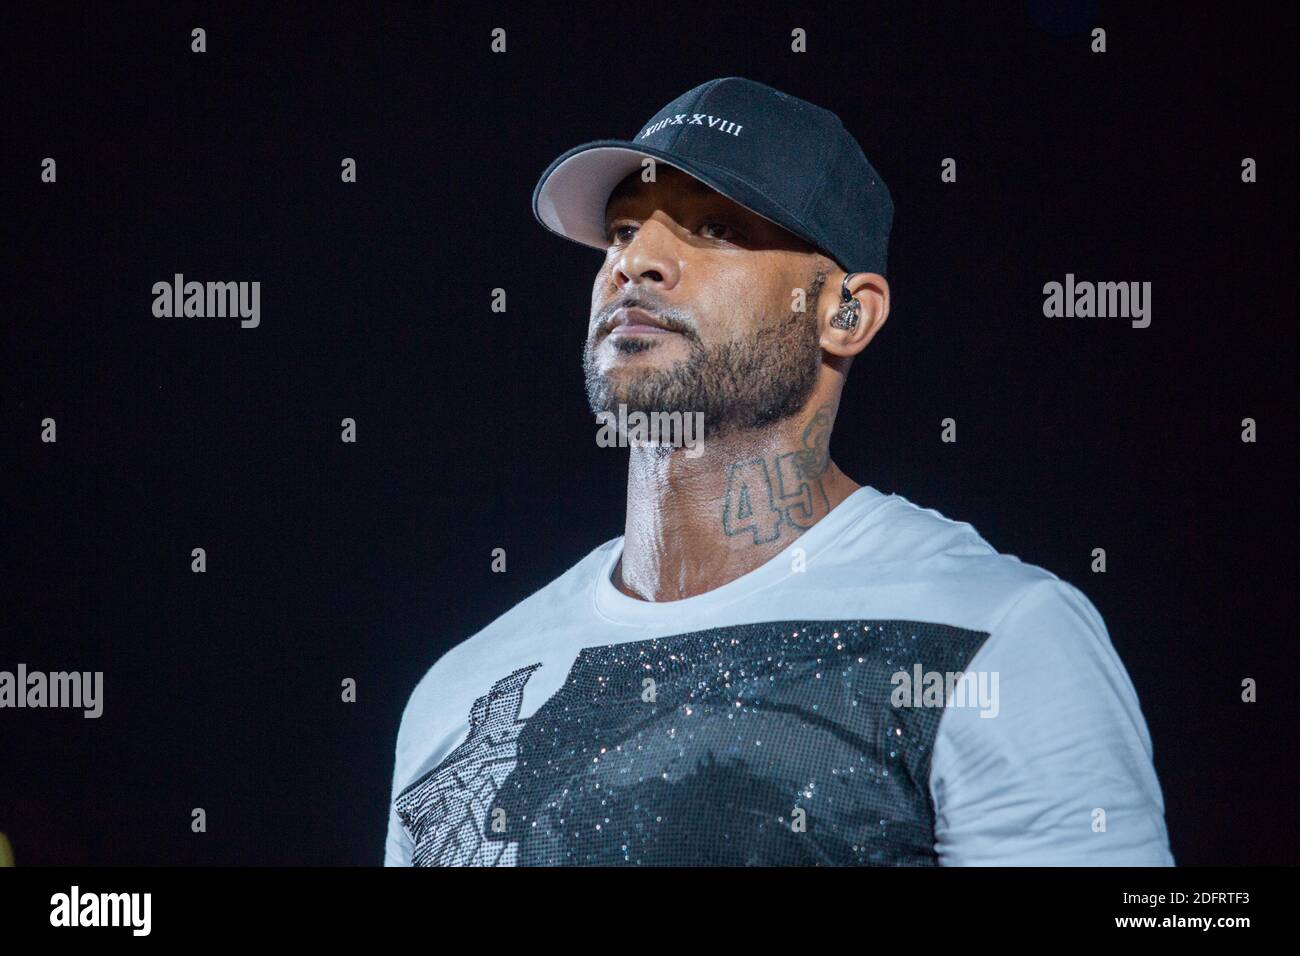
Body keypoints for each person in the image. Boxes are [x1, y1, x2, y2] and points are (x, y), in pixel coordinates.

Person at [384, 77, 1174, 866]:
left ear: (846, 313)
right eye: (623, 231)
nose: (637, 263)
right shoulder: (471, 688)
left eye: (718, 228)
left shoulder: (992, 636)